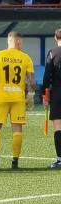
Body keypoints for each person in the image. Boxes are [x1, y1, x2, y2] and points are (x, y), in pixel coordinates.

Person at [0, 32, 35, 170]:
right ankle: (15, 161)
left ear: (8, 41)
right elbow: (32, 81)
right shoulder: (26, 58)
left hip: (1, 97)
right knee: (17, 129)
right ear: (18, 41)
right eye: (21, 41)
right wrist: (30, 94)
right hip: (18, 98)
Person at [43, 29, 61, 168]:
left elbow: (46, 76)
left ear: (56, 38)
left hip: (57, 93)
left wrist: (45, 95)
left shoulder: (52, 53)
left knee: (58, 127)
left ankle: (60, 159)